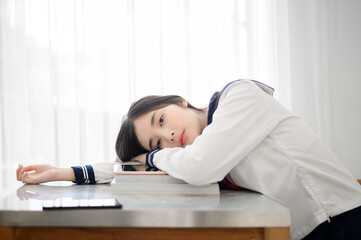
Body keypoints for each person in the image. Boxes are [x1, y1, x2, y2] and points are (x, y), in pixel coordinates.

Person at [16, 80, 361, 240]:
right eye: (156, 141)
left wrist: (153, 155)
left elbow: (197, 166)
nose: (167, 137)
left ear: (179, 101)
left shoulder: (238, 97)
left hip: (342, 219)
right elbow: (140, 166)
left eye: (161, 121)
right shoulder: (205, 144)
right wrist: (62, 172)